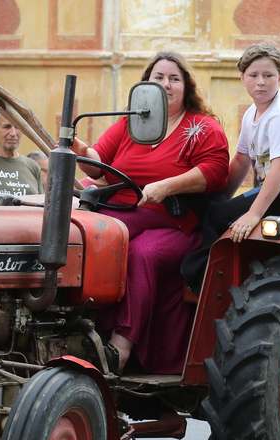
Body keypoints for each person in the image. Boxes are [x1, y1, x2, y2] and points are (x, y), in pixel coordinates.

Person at [71, 51, 229, 374]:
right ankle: (77, 328)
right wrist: (78, 148)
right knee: (91, 237)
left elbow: (215, 171)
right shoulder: (130, 123)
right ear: (146, 84)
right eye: (159, 77)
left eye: (174, 78)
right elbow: (97, 165)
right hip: (124, 211)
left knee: (136, 250)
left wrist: (166, 186)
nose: (166, 84)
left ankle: (121, 347)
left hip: (175, 223)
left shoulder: (202, 127)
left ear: (186, 86)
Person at [180, 42, 280, 291]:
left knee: (219, 217)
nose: (261, 82)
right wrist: (221, 196)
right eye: (253, 75)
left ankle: (203, 282)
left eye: (268, 75)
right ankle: (208, 276)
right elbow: (241, 160)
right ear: (242, 78)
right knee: (213, 210)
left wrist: (253, 214)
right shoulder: (252, 113)